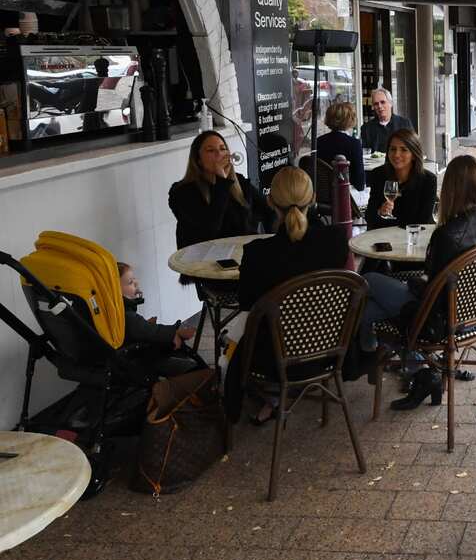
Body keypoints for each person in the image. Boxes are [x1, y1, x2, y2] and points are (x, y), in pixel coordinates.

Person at [357, 154, 476, 410]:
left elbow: (430, 289)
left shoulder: (446, 236)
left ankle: (382, 357)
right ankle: (420, 371)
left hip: (437, 319)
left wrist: (414, 283)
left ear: (449, 189)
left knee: (367, 284)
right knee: (370, 307)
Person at [226, 166, 349, 424]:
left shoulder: (258, 253)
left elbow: (247, 302)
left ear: (270, 202)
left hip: (273, 359)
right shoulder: (336, 240)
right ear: (313, 199)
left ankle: (254, 400)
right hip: (329, 349)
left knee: (233, 335)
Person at [169, 130, 274, 251]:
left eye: (223, 148)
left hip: (242, 258)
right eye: (210, 150)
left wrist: (269, 244)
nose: (219, 154)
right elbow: (209, 230)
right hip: (202, 263)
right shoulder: (183, 192)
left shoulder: (240, 182)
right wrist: (221, 182)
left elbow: (270, 211)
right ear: (198, 160)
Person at [118, 262, 199, 377]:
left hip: (132, 349)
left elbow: (140, 328)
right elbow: (144, 330)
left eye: (134, 279)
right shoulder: (126, 315)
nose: (136, 283)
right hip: (138, 359)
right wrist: (173, 334)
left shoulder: (118, 311)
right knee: (188, 366)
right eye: (130, 282)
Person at [366, 129, 437, 231]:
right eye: (393, 149)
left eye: (404, 150)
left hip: (417, 238)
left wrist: (388, 221)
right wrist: (380, 212)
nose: (396, 155)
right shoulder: (378, 175)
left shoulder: (428, 180)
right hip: (386, 238)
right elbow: (369, 217)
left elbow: (423, 221)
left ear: (414, 154)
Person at [316, 100, 367, 191]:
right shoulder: (354, 144)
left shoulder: (319, 141)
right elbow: (360, 184)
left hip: (322, 195)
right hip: (345, 196)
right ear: (350, 119)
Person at [360, 87, 414, 153]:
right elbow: (365, 153)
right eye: (376, 104)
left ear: (390, 103)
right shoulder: (366, 128)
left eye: (383, 102)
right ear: (373, 107)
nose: (379, 106)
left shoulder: (405, 124)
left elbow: (413, 148)